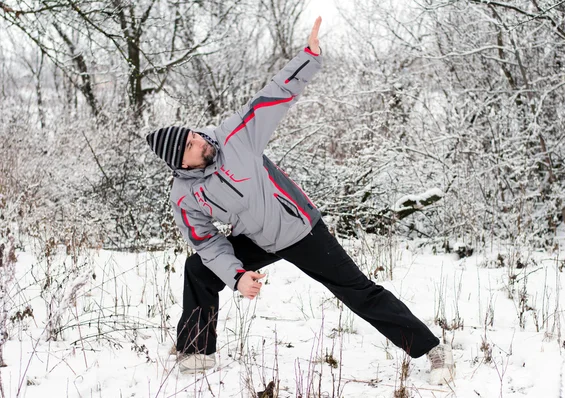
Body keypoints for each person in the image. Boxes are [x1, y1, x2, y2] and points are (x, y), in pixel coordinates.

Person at [146, 17, 454, 385]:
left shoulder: (234, 138)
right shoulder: (184, 195)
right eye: (192, 146)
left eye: (195, 134)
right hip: (257, 239)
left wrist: (309, 55)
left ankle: (432, 349)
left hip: (299, 229)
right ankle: (196, 350)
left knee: (357, 292)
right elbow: (208, 243)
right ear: (182, 163)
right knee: (198, 268)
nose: (201, 141)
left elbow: (275, 95)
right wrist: (238, 275)